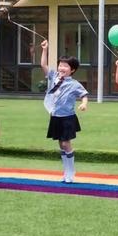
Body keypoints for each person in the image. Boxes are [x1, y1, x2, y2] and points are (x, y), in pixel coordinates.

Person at [41, 40, 88, 183]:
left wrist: (84, 104)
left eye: (65, 66)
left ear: (72, 70)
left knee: (66, 143)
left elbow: (84, 95)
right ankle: (66, 171)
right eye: (60, 65)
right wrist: (44, 50)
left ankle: (71, 172)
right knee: (60, 144)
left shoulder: (74, 84)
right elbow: (43, 65)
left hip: (67, 117)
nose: (61, 68)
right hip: (55, 116)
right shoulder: (54, 77)